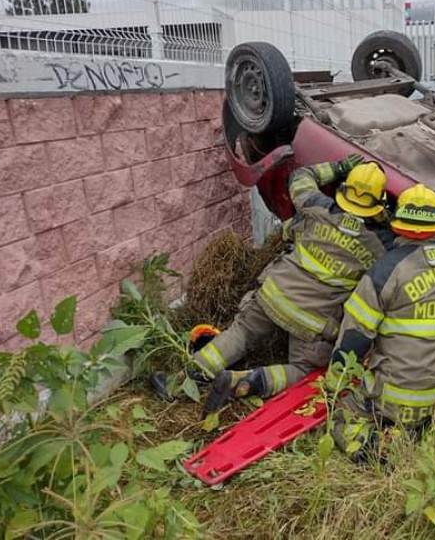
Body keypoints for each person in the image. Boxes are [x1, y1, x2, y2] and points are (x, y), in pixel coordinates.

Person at [160, 156, 396, 414]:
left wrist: (338, 168)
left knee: (240, 334)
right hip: (311, 322)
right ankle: (245, 381)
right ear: (377, 204)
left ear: (344, 189)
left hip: (272, 296)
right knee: (304, 370)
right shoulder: (380, 246)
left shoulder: (316, 207)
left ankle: (179, 382)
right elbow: (403, 255)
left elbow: (300, 176)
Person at [327, 183, 435, 459]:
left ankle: (379, 450)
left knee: (341, 418)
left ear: (397, 226)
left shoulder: (384, 272)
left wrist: (334, 383)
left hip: (398, 399)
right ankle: (425, 435)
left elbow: (354, 337)